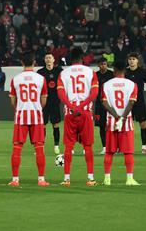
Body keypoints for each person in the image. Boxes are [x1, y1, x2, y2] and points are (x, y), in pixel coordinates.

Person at [56, 47, 99, 187]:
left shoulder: (63, 73)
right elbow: (94, 93)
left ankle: (67, 179)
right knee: (88, 146)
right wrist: (82, 107)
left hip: (70, 112)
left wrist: (71, 106)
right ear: (82, 58)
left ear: (70, 58)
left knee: (68, 145)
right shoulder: (90, 72)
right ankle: (90, 178)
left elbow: (61, 95)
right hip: (85, 112)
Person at [7, 52, 50, 187]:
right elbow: (44, 100)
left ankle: (15, 179)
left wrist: (20, 107)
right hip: (36, 115)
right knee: (39, 148)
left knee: (17, 147)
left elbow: (13, 100)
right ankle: (41, 179)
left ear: (22, 63)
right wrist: (36, 107)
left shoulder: (16, 79)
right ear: (34, 63)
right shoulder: (41, 79)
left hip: (21, 115)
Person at [101, 60, 140, 186]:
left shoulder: (106, 84)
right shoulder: (132, 84)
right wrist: (122, 118)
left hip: (112, 121)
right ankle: (129, 179)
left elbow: (104, 103)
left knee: (109, 152)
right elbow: (131, 103)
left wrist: (116, 116)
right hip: (126, 122)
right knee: (128, 152)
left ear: (114, 70)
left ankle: (107, 179)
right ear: (125, 70)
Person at [37, 53, 63, 154]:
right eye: (46, 58)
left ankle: (56, 146)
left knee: (55, 124)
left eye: (50, 58)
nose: (48, 60)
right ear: (44, 60)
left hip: (55, 101)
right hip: (43, 102)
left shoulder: (59, 71)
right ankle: (41, 146)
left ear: (53, 60)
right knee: (42, 125)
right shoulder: (40, 72)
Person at [126, 52, 146, 153]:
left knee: (143, 124)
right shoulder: (125, 73)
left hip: (139, 102)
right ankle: (126, 146)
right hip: (127, 103)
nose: (131, 61)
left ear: (137, 60)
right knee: (126, 125)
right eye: (130, 59)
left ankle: (144, 146)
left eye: (133, 59)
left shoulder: (142, 72)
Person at [95, 58, 114, 155]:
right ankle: (104, 147)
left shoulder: (112, 75)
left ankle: (115, 146)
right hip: (99, 104)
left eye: (105, 64)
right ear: (98, 65)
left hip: (111, 104)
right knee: (102, 126)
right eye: (101, 64)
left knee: (112, 125)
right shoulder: (95, 75)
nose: (103, 66)